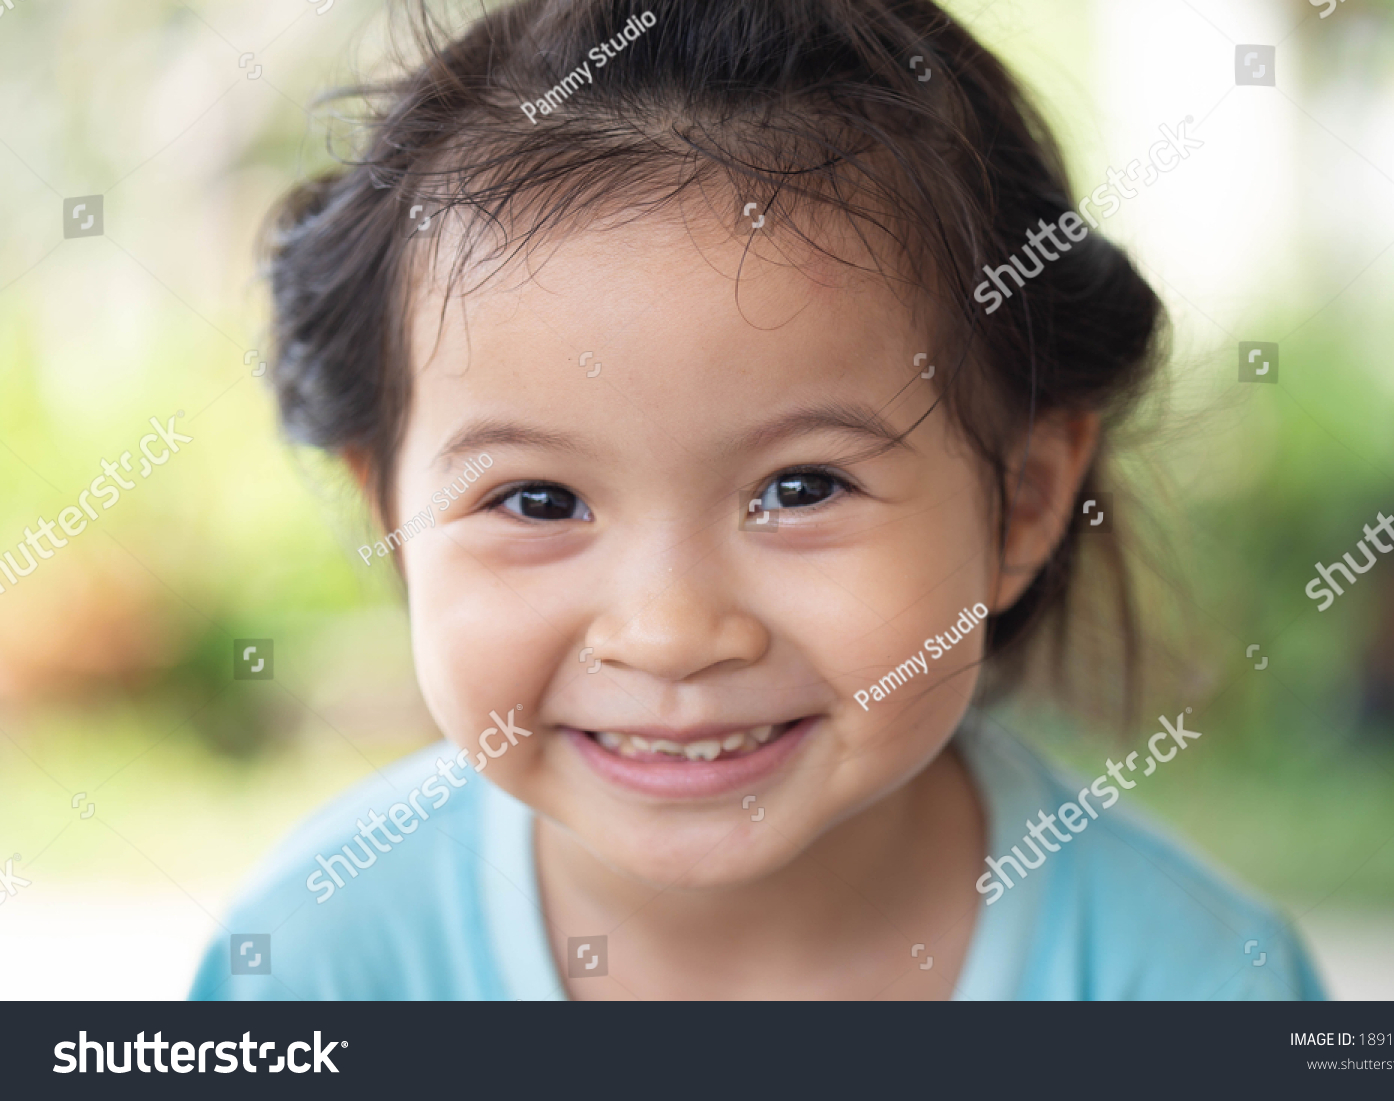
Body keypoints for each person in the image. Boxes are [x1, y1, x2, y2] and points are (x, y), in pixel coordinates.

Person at [190, 0, 1323, 1000]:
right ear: (388, 513)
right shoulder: (307, 975)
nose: (672, 634)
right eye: (537, 500)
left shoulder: (1196, 989)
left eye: (800, 488)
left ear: (1023, 502)